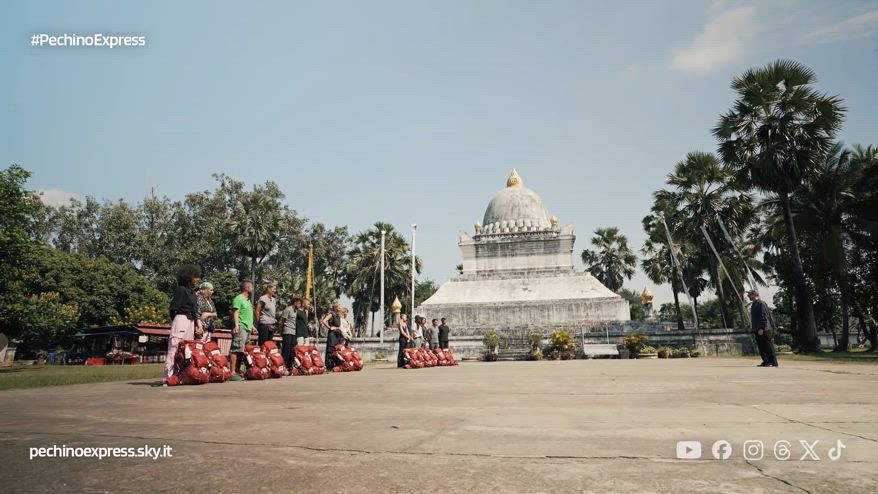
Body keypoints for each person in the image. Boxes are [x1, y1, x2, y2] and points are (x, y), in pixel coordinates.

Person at [165, 264, 203, 383]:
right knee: (174, 348)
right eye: (195, 277)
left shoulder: (192, 293)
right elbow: (173, 308)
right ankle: (169, 376)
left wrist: (198, 325)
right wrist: (175, 322)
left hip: (191, 322)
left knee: (186, 349)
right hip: (181, 319)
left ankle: (182, 376)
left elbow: (195, 311)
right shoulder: (181, 290)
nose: (197, 279)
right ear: (189, 277)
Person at [229, 280, 255, 381]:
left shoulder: (248, 300)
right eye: (251, 287)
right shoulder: (238, 299)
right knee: (236, 348)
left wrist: (252, 326)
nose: (253, 289)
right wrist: (236, 325)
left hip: (247, 328)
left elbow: (247, 314)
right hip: (241, 326)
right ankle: (232, 372)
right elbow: (236, 312)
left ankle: (238, 371)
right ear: (247, 288)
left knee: (242, 350)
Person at [748, 290, 778, 367]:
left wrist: (762, 328)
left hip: (763, 329)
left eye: (750, 295)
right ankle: (766, 361)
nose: (749, 296)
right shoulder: (754, 304)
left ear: (755, 295)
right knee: (761, 346)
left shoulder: (761, 303)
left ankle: (773, 362)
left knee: (768, 346)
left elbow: (764, 316)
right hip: (757, 329)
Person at [278, 295, 303, 371]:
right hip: (287, 331)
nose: (299, 305)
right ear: (294, 303)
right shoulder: (288, 309)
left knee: (292, 350)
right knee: (286, 350)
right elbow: (282, 321)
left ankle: (289, 366)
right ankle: (283, 366)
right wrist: (281, 331)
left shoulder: (295, 311)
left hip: (293, 332)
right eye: (298, 303)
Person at [321, 305, 343, 372]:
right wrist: (330, 327)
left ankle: (336, 365)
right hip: (332, 334)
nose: (340, 309)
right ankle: (329, 366)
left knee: (337, 350)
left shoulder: (338, 316)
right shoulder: (331, 314)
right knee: (331, 349)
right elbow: (324, 321)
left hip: (338, 334)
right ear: (335, 308)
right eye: (339, 307)